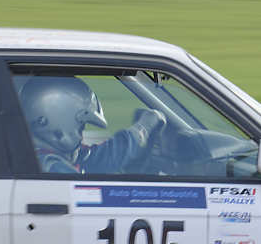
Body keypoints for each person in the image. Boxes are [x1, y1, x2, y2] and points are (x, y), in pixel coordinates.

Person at [17, 75, 166, 174]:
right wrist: (143, 128)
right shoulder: (50, 166)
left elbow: (100, 158)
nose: (82, 136)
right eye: (80, 127)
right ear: (58, 121)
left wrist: (141, 131)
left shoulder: (56, 154)